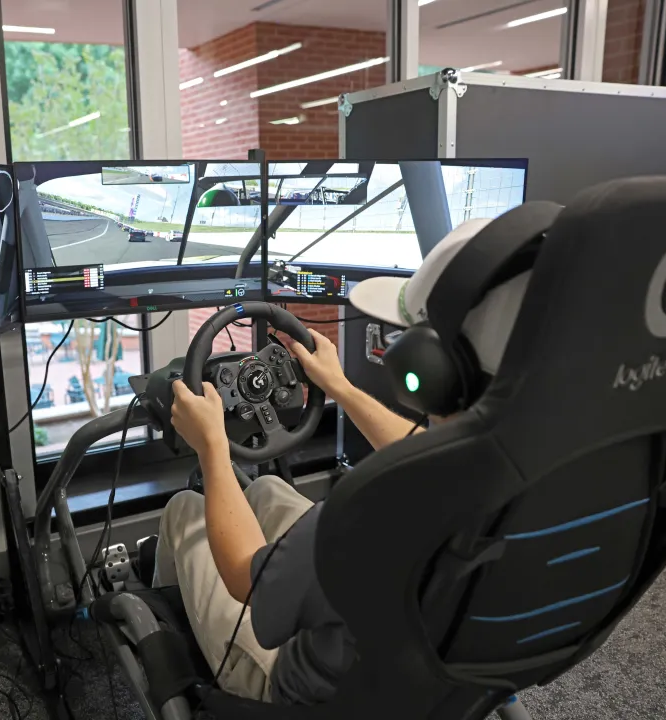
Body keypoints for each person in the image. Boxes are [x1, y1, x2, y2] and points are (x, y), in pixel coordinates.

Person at [152, 218, 534, 704]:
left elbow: (244, 577)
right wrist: (341, 387)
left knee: (186, 508)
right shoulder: (536, 468)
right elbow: (420, 452)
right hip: (444, 669)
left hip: (309, 690)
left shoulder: (365, 512)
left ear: (439, 368)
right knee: (265, 491)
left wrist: (213, 451)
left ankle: (170, 631)